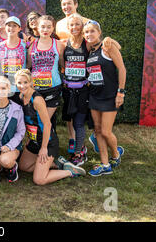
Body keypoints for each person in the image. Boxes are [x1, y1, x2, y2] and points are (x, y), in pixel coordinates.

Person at [15, 69, 86, 185]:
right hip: (34, 141)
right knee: (24, 167)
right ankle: (56, 164)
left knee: (39, 179)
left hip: (47, 142)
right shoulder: (22, 97)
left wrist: (43, 148)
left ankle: (70, 171)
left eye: (25, 82)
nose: (22, 86)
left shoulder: (37, 100)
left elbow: (47, 124)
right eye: (19, 83)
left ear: (31, 82)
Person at [84, 20, 126, 176]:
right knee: (98, 130)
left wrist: (120, 92)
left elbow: (122, 69)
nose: (89, 34)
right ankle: (105, 164)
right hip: (94, 96)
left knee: (106, 131)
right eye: (86, 32)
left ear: (99, 33)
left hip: (110, 96)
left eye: (92, 31)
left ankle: (116, 154)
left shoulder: (107, 46)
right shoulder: (90, 51)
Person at [61, 14, 90, 165]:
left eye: (77, 24)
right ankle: (81, 147)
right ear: (68, 27)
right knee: (71, 120)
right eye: (71, 25)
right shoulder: (64, 43)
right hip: (68, 90)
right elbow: (62, 63)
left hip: (83, 90)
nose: (74, 27)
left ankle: (79, 154)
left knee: (79, 122)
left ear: (82, 26)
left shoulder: (88, 43)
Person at [28, 15, 65, 126]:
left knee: (44, 122)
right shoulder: (31, 45)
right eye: (43, 26)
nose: (45, 30)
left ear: (53, 28)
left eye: (49, 27)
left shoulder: (59, 44)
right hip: (36, 89)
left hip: (53, 88)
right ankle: (41, 142)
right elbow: (28, 66)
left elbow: (64, 64)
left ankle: (48, 142)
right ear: (38, 28)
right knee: (38, 120)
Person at [0, 16, 27, 102]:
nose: (11, 28)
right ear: (5, 27)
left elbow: (29, 66)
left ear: (19, 28)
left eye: (14, 26)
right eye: (9, 25)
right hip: (5, 88)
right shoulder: (0, 46)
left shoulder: (24, 45)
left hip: (20, 88)